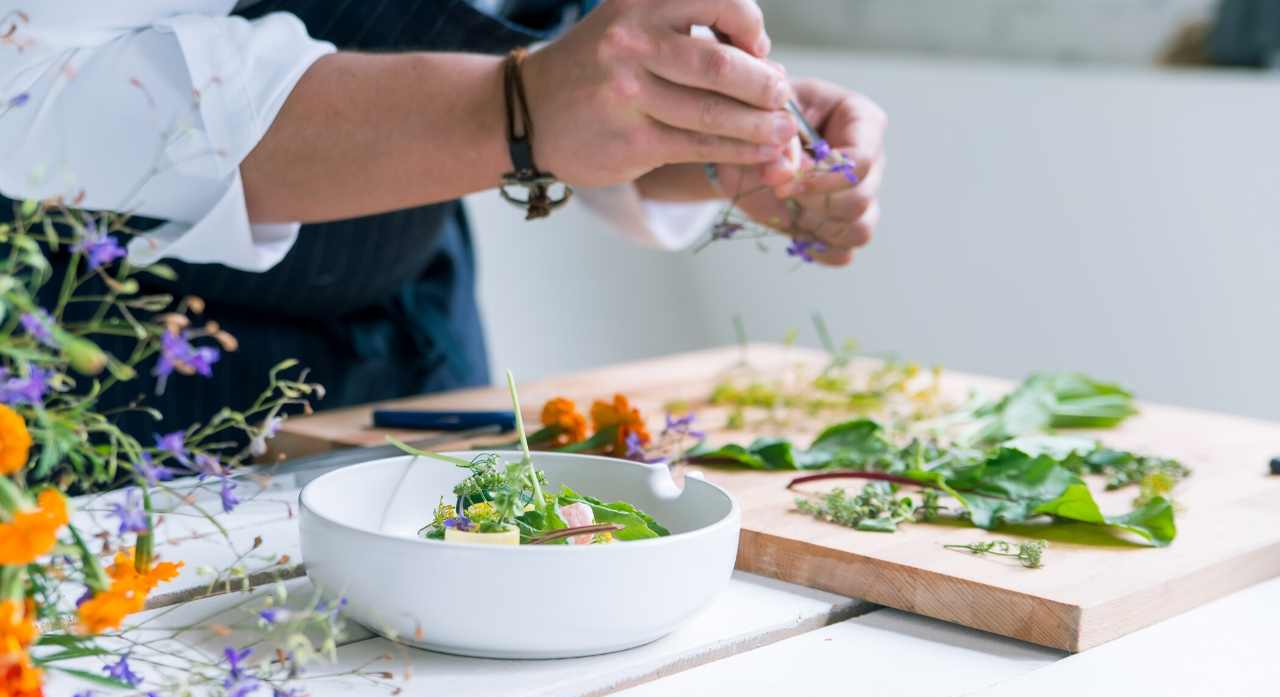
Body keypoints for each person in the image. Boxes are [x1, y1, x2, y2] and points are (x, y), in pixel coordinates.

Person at [0, 0, 886, 440]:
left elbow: (572, 61)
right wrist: (511, 111)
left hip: (417, 349)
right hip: (112, 393)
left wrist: (705, 138)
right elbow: (24, 88)